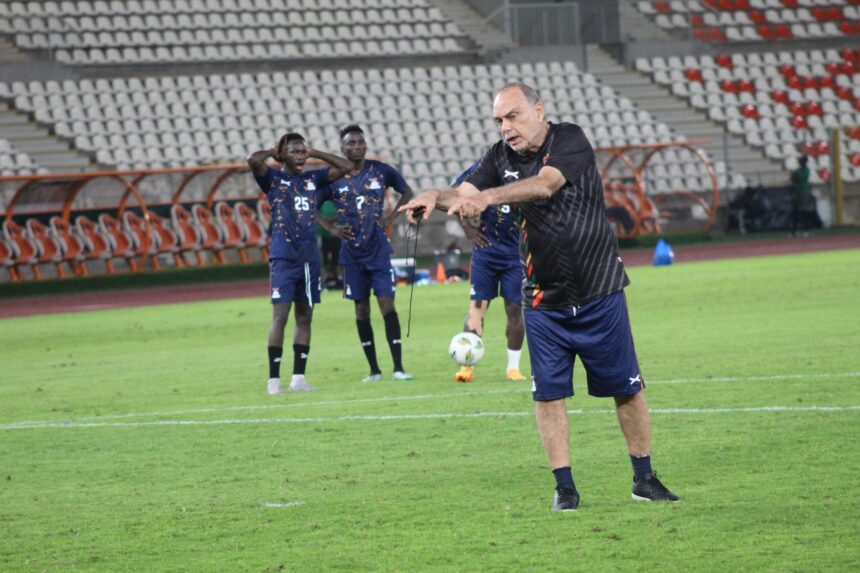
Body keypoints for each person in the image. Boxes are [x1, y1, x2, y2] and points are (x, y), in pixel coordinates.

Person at [400, 83, 679, 511]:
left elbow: (546, 185)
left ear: (538, 110)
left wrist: (489, 198)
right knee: (547, 395)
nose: (505, 128)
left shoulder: (570, 139)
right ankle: (564, 489)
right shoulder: (499, 156)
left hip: (599, 290)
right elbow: (466, 194)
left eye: (512, 116)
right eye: (498, 120)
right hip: (543, 301)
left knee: (626, 389)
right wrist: (435, 197)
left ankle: (643, 477)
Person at [248, 133, 353, 395]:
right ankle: (273, 381)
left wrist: (315, 152)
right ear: (283, 155)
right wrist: (275, 150)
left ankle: (298, 379)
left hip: (309, 259)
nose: (300, 156)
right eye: (294, 152)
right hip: (283, 259)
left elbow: (347, 167)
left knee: (305, 317)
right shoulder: (272, 179)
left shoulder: (312, 179)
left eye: (302, 152)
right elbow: (252, 160)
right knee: (280, 318)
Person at [316, 125, 414, 382]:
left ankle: (399, 368)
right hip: (351, 254)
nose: (357, 147)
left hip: (379, 250)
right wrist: (331, 228)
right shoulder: (333, 177)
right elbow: (310, 204)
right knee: (361, 310)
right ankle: (373, 370)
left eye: (360, 142)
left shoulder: (381, 170)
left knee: (387, 306)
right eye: (351, 143)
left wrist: (391, 217)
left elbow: (407, 192)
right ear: (342, 148)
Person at [450, 161, 526, 383]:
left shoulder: (531, 167)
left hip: (516, 255)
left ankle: (513, 368)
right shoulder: (489, 165)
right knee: (477, 307)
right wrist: (467, 228)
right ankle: (466, 367)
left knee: (514, 309)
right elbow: (455, 192)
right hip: (486, 253)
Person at [789, 155, 810, 236]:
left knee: (803, 211)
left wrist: (795, 176)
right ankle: (795, 230)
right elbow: (793, 178)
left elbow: (800, 178)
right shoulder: (799, 170)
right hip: (797, 191)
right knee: (796, 211)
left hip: (803, 191)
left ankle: (806, 230)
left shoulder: (805, 170)